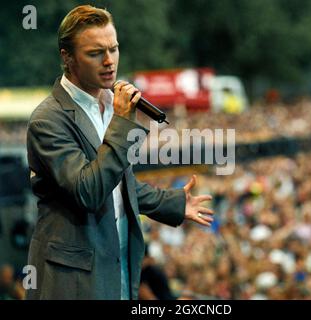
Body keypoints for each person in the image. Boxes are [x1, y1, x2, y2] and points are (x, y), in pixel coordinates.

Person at [25, 5, 214, 300]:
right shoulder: (48, 120)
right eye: (95, 53)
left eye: (113, 49)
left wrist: (173, 204)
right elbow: (88, 190)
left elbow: (118, 185)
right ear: (67, 58)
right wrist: (123, 123)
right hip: (75, 279)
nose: (109, 61)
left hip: (118, 266)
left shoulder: (111, 103)